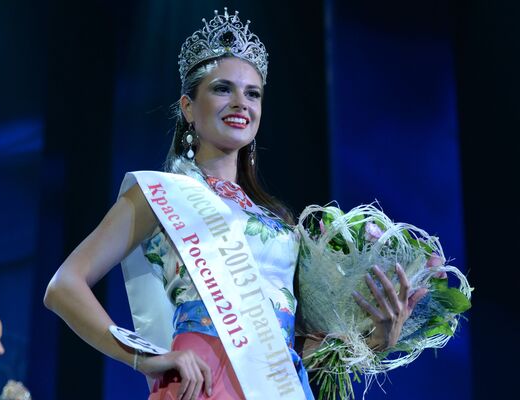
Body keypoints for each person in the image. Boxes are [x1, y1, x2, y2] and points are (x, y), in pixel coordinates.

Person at [44, 8, 419, 400]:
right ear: (188, 107)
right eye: (223, 89)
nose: (241, 102)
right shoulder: (160, 194)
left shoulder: (279, 223)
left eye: (252, 93)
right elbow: (63, 286)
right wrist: (144, 357)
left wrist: (374, 341)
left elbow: (296, 349)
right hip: (201, 384)